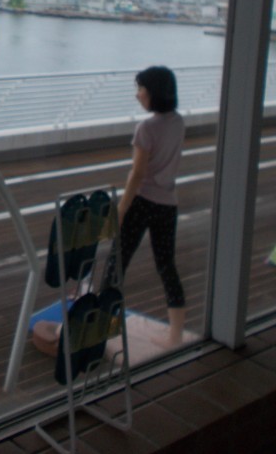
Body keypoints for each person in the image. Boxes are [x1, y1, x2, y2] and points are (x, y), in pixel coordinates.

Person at [106, 65, 186, 347]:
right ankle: (176, 335)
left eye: (141, 89)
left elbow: (137, 174)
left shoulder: (146, 128)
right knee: (166, 266)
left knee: (117, 263)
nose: (137, 94)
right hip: (168, 204)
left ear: (154, 93)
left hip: (142, 203)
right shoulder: (178, 122)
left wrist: (121, 208)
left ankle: (101, 324)